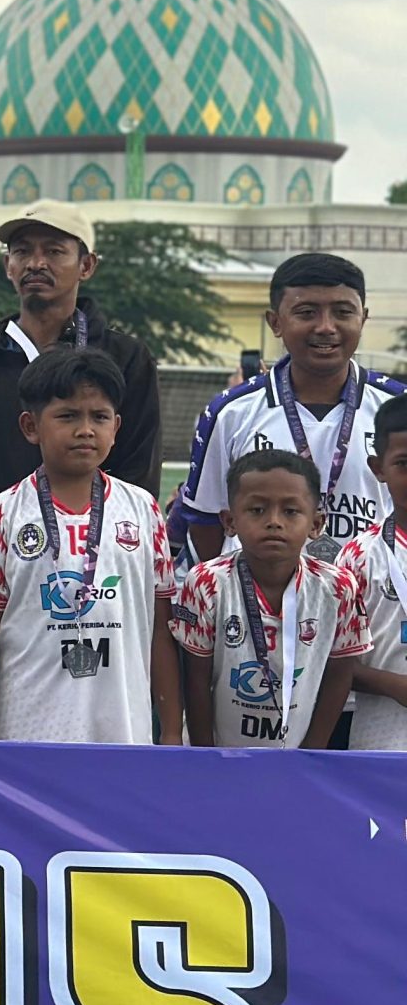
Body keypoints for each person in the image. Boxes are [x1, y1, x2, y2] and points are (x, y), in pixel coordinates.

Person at [0, 349, 179, 745]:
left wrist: (173, 730)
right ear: (31, 426)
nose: (85, 430)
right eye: (68, 416)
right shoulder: (3, 513)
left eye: (99, 417)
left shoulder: (143, 509)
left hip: (122, 734)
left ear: (117, 426)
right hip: (27, 735)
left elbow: (161, 628)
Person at [177, 252, 404, 563]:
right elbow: (206, 520)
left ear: (362, 319)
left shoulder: (397, 407)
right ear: (276, 322)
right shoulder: (231, 412)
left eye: (342, 312)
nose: (326, 327)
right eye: (307, 312)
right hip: (258, 593)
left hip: (375, 589)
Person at [0, 201, 160, 498]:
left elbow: (139, 468)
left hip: (97, 526)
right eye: (22, 251)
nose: (36, 263)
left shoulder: (127, 358)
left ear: (86, 265)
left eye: (54, 251)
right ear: (8, 265)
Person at [172, 449, 365, 749]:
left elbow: (340, 675)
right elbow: (195, 680)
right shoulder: (206, 583)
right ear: (230, 521)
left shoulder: (338, 588)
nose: (274, 522)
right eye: (257, 510)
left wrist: (311, 751)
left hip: (298, 753)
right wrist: (206, 755)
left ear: (316, 524)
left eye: (290, 511)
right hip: (219, 751)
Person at [336, 397, 407, 751]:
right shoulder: (358, 558)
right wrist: (394, 686)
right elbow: (333, 662)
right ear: (378, 468)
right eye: (404, 464)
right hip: (379, 744)